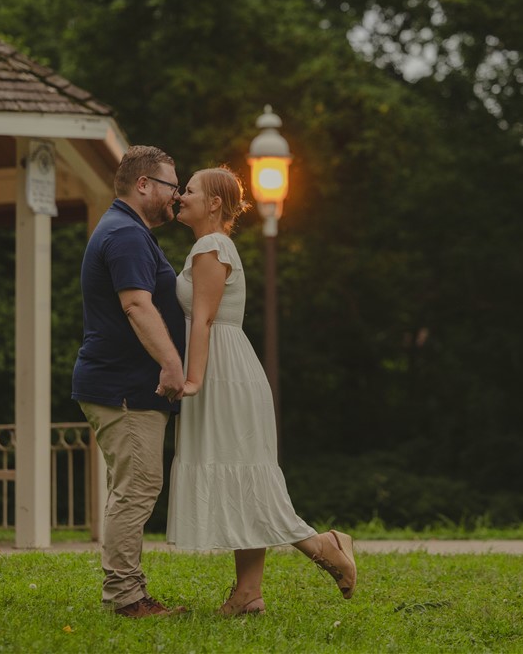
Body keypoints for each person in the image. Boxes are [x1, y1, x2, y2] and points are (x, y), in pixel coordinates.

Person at [163, 166, 357, 615]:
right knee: (241, 474)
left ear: (214, 203)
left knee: (246, 474)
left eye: (189, 190)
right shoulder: (208, 246)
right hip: (221, 367)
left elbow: (204, 319)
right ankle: (249, 593)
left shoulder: (211, 246)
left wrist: (192, 378)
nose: (180, 196)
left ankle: (324, 547)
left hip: (221, 371)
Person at [72, 145, 187, 618]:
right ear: (144, 185)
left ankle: (129, 591)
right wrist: (171, 363)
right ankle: (126, 598)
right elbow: (137, 305)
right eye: (171, 187)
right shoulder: (126, 235)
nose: (176, 197)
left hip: (121, 384)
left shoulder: (126, 230)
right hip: (122, 387)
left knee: (133, 487)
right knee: (137, 489)